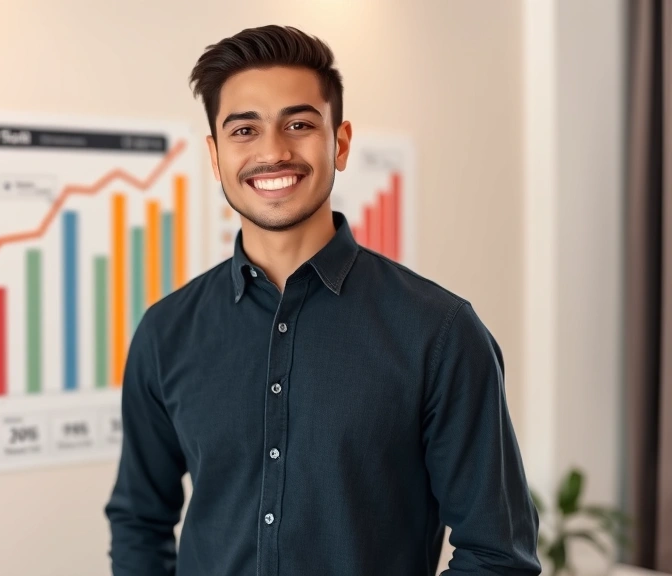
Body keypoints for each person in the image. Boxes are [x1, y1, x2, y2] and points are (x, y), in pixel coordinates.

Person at [104, 25, 540, 576]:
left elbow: (497, 554)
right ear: (214, 156)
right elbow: (140, 520)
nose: (273, 151)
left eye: (300, 123)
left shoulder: (440, 332)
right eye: (244, 129)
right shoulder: (166, 331)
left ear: (340, 142)